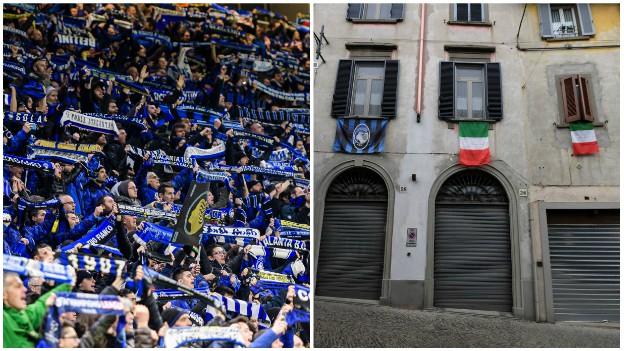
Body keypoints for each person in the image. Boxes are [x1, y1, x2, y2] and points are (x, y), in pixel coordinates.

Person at [3, 272, 72, 348]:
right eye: (18, 286)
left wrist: (68, 285)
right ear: (3, 294)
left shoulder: (23, 314)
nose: (24, 289)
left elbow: (41, 305)